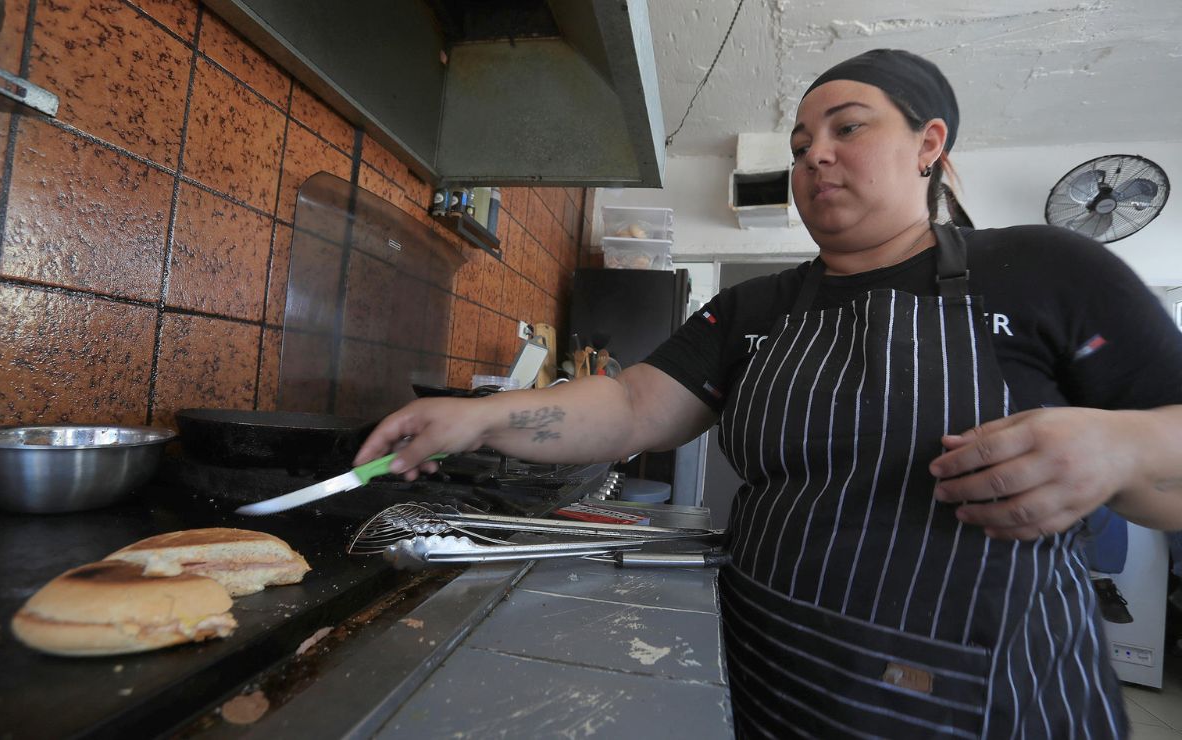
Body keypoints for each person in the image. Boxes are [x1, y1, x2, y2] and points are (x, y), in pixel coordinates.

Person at [356, 49, 1182, 737]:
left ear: (928, 143)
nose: (813, 155)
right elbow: (633, 406)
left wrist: (1123, 447)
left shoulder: (1046, 269)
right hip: (770, 676)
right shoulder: (757, 308)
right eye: (798, 144)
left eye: (848, 128)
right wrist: (474, 419)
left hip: (984, 700)